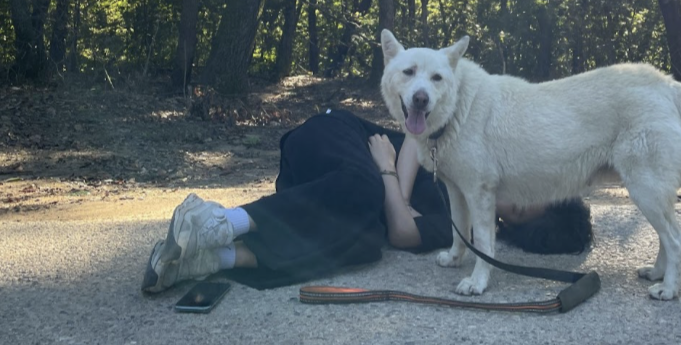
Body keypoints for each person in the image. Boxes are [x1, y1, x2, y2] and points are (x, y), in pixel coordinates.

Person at [141, 107, 592, 294]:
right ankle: (218, 222)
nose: (509, 197)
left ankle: (213, 258)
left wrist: (390, 185)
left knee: (366, 245)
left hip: (312, 197)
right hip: (335, 138)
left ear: (512, 227)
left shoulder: (466, 229)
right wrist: (391, 178)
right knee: (366, 189)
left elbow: (402, 234)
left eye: (516, 210)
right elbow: (417, 138)